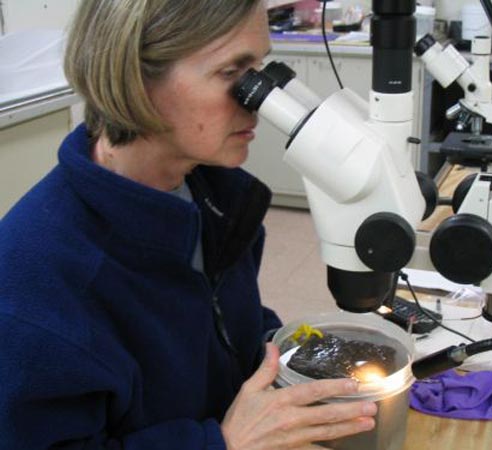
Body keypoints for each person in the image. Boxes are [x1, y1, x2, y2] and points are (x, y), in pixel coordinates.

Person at [0, 1, 378, 449]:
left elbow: (221, 330)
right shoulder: (34, 287)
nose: (261, 98)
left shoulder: (214, 200)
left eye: (259, 66)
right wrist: (220, 443)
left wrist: (291, 357)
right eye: (231, 72)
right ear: (135, 79)